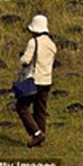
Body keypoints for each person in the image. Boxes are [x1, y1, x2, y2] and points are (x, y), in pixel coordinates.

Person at [15, 14, 57, 148]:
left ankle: (37, 133)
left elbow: (26, 60)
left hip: (34, 80)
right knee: (40, 110)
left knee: (21, 107)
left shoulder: (33, 42)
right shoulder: (51, 43)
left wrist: (21, 58)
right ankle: (40, 138)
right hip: (47, 80)